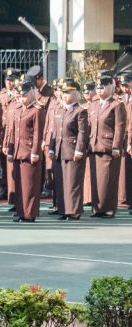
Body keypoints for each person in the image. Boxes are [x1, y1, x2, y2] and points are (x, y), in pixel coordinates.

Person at [47, 79, 88, 220]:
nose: (64, 95)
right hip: (59, 150)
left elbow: (82, 132)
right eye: (63, 93)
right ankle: (64, 210)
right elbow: (54, 132)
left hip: (72, 150)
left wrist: (79, 150)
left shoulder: (80, 111)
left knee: (73, 182)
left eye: (68, 93)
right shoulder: (60, 110)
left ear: (76, 94)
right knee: (61, 182)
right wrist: (51, 148)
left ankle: (74, 211)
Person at [87, 76, 127, 218]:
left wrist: (116, 147)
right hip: (94, 146)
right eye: (97, 87)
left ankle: (109, 208)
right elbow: (89, 126)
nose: (99, 90)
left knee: (108, 179)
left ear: (110, 88)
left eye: (102, 87)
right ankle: (97, 208)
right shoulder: (94, 104)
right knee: (96, 180)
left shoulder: (116, 105)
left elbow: (120, 127)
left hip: (108, 147)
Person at [7, 79, 42, 222]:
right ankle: (21, 212)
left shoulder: (36, 111)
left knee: (29, 185)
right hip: (18, 151)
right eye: (21, 96)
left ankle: (30, 213)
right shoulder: (18, 111)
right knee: (20, 186)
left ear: (31, 95)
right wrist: (10, 150)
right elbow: (12, 133)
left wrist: (35, 152)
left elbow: (38, 134)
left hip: (28, 152)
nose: (22, 98)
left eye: (25, 95)